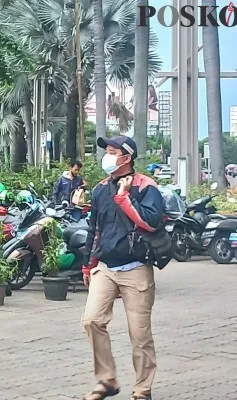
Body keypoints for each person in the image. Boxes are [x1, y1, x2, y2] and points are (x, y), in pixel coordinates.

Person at [81, 136, 165, 400]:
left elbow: (151, 223)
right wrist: (88, 264)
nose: (107, 156)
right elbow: (94, 229)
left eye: (112, 152)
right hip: (105, 267)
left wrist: (124, 197)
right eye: (106, 151)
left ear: (126, 158)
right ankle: (107, 381)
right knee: (92, 320)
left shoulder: (145, 187)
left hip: (136, 268)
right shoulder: (99, 189)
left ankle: (142, 389)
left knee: (139, 334)